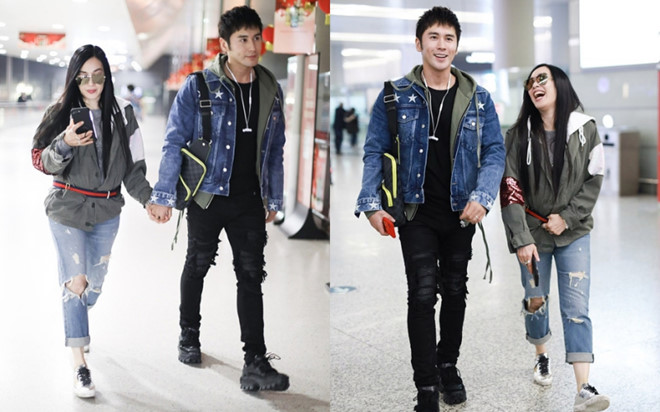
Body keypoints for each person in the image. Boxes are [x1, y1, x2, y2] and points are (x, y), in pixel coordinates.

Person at [355, 6, 505, 411]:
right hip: (415, 211)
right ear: (419, 43)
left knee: (455, 291)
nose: (441, 45)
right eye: (433, 37)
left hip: (460, 211)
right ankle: (425, 386)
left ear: (457, 45)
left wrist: (482, 196)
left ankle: (447, 365)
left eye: (449, 38)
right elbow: (374, 151)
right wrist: (371, 205)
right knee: (422, 294)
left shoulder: (478, 99)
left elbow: (495, 151)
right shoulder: (394, 95)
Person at [148, 6, 289, 392]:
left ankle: (255, 360)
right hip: (207, 196)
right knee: (197, 265)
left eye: (257, 38)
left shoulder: (269, 87)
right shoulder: (198, 85)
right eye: (243, 39)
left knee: (251, 275)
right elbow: (174, 141)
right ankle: (189, 334)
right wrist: (163, 195)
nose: (252, 46)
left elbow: (275, 149)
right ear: (224, 45)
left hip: (249, 199)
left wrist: (274, 198)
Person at [30, 44, 153, 398]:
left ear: (107, 77)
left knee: (94, 284)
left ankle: (79, 318)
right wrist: (65, 142)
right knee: (76, 282)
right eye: (83, 77)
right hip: (66, 208)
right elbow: (40, 160)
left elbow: (134, 168)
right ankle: (79, 364)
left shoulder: (124, 114)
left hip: (107, 210)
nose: (91, 83)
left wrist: (148, 200)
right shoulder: (60, 113)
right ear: (74, 79)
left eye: (97, 75)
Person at [500, 64, 610, 412]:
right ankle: (541, 354)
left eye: (542, 78)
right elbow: (510, 187)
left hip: (573, 233)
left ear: (560, 84)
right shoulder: (518, 135)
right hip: (532, 233)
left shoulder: (585, 129)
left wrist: (568, 217)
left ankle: (584, 388)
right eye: (530, 82)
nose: (535, 85)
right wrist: (521, 237)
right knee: (536, 300)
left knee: (577, 308)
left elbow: (594, 179)